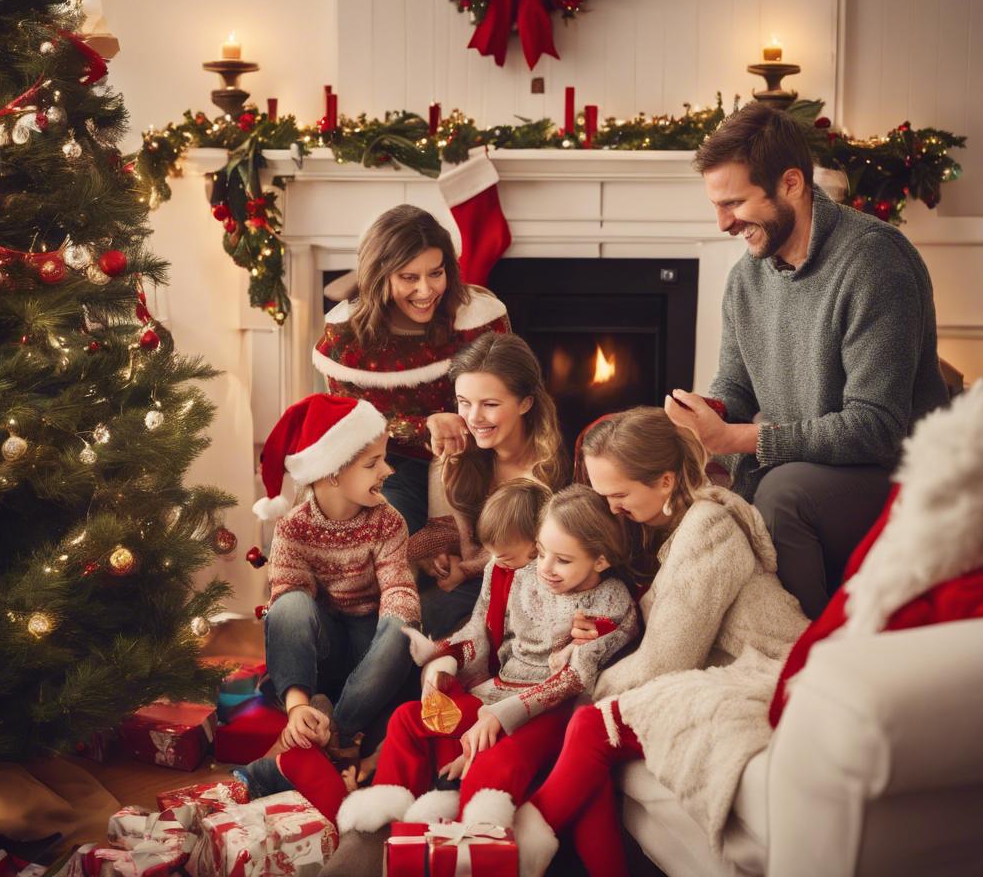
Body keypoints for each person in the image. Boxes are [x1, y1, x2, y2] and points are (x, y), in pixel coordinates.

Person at [665, 102, 948, 618]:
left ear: (791, 183)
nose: (724, 223)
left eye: (734, 203)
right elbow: (735, 389)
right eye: (716, 205)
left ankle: (809, 655)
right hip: (798, 462)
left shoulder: (873, 261)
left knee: (783, 493)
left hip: (894, 472)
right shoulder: (748, 277)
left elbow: (877, 428)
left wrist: (745, 439)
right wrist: (698, 420)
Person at [513, 407, 807, 877]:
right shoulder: (667, 530)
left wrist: (581, 685)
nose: (611, 508)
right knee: (586, 728)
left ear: (665, 481)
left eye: (619, 494)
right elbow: (669, 627)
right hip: (721, 670)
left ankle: (522, 845)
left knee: (591, 725)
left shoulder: (708, 527)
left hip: (769, 673)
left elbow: (670, 658)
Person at [323, 482, 639, 875]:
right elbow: (479, 631)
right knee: (407, 718)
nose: (544, 568)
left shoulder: (611, 602)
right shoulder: (520, 575)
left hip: (546, 709)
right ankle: (386, 824)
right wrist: (444, 660)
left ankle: (475, 855)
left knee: (495, 764)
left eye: (562, 560)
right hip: (494, 693)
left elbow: (575, 677)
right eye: (541, 552)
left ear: (601, 561)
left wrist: (501, 714)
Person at [246, 393, 420, 794]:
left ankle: (334, 731)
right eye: (373, 463)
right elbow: (291, 597)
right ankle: (301, 709)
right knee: (287, 604)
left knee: (403, 625)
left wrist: (398, 618)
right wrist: (298, 702)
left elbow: (397, 585)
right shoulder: (293, 527)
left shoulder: (388, 522)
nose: (388, 471)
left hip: (369, 651)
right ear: (333, 474)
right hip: (322, 650)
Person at [312, 205, 510, 535]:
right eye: (408, 277)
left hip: (478, 457)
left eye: (435, 273)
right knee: (382, 532)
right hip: (392, 464)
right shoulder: (346, 342)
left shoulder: (478, 321)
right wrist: (423, 427)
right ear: (380, 276)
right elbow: (351, 427)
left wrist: (465, 425)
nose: (426, 290)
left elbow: (510, 395)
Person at [408, 331, 569, 636]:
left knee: (438, 611)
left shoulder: (550, 469)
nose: (474, 417)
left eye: (490, 404)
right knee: (420, 611)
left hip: (533, 590)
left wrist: (466, 570)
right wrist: (439, 557)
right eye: (464, 403)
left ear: (525, 403)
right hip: (473, 584)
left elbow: (532, 556)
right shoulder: (455, 457)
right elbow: (447, 531)